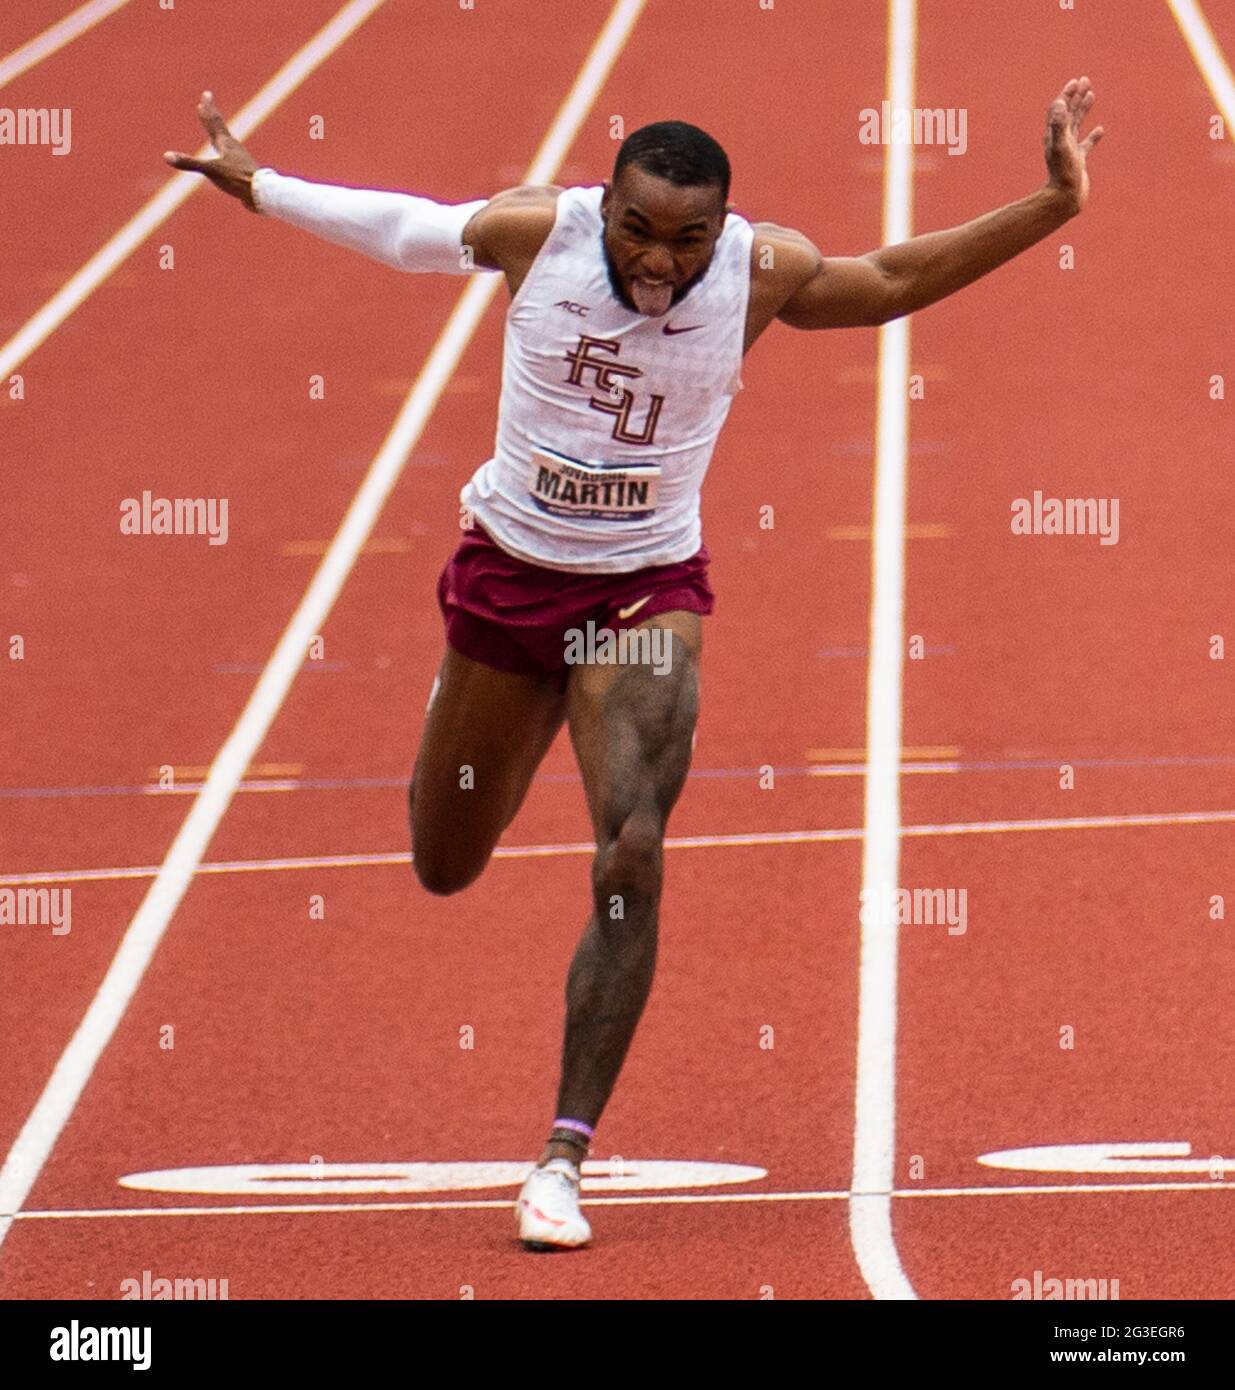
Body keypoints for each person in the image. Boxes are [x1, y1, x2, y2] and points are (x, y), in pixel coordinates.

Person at [165, 78, 1102, 1249]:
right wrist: (257, 184)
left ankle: (561, 1157)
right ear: (602, 207)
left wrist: (1051, 206)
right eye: (639, 230)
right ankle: (493, 710)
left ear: (722, 228)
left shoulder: (759, 272)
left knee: (635, 843)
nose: (659, 261)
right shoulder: (534, 234)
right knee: (444, 861)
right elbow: (401, 231)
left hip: (643, 592)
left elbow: (891, 280)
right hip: (510, 577)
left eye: (687, 239)